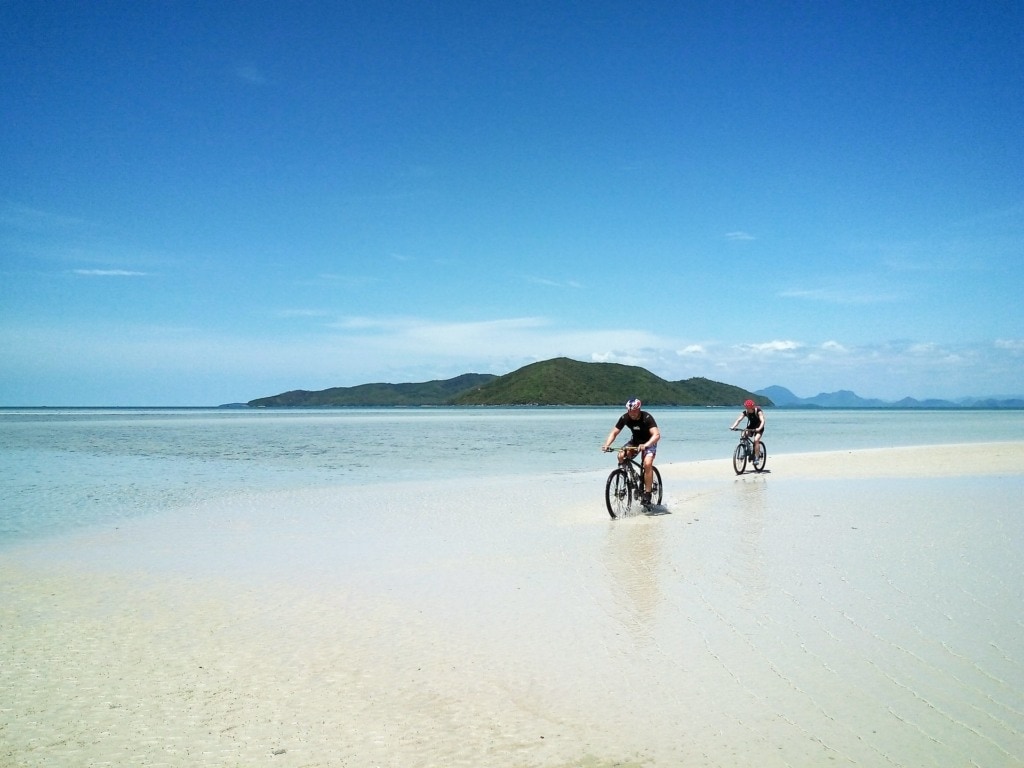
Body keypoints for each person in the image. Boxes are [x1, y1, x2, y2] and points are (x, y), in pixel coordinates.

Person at [601, 397, 661, 505]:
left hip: (649, 442)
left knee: (647, 463)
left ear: (639, 409)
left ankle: (647, 493)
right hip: (635, 442)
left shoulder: (647, 417)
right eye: (629, 411)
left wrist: (646, 445)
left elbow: (656, 435)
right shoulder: (625, 418)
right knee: (621, 455)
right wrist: (607, 444)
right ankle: (629, 475)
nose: (631, 414)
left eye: (633, 411)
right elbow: (614, 432)